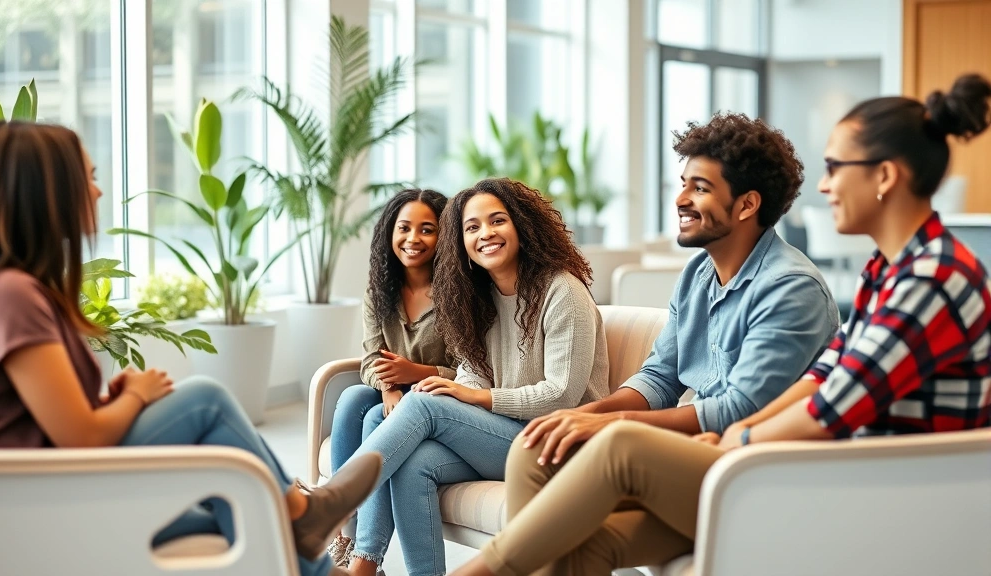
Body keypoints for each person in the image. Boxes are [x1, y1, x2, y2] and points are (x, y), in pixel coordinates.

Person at [450, 73, 991, 576]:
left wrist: (732, 440)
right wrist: (591, 418)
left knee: (622, 447)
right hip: (810, 466)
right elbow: (819, 380)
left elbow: (827, 414)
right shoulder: (887, 271)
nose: (824, 187)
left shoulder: (927, 280)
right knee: (562, 496)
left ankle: (484, 570)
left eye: (835, 167)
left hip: (870, 490)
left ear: (885, 176)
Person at [0, 121, 381, 576]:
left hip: (47, 492)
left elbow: (35, 423)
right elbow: (79, 438)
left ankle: (308, 531)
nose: (98, 192)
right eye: (88, 178)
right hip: (37, 506)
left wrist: (109, 400)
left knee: (245, 515)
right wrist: (135, 396)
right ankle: (304, 512)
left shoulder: (10, 291)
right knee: (206, 401)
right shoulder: (10, 293)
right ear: (45, 194)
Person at [519, 111, 839, 469]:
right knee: (535, 450)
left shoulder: (790, 288)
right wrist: (583, 415)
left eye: (700, 188)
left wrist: (612, 423)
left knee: (598, 451)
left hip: (751, 461)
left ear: (747, 204)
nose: (680, 199)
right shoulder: (697, 275)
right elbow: (660, 377)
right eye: (683, 184)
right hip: (702, 445)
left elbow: (739, 408)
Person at [345, 178, 610, 576]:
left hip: (557, 443)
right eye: (472, 227)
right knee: (414, 462)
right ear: (461, 242)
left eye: (497, 221)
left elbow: (562, 394)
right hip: (505, 435)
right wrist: (463, 390)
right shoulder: (479, 297)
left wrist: (473, 398)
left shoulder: (563, 291)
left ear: (522, 225)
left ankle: (337, 503)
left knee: (422, 403)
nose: (485, 233)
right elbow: (472, 372)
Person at [327, 189, 456, 566]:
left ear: (444, 236)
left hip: (438, 395)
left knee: (371, 419)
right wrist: (388, 386)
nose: (413, 239)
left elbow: (469, 370)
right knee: (353, 399)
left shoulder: (458, 293)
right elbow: (370, 359)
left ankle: (367, 559)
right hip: (391, 390)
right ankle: (344, 533)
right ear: (390, 232)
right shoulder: (379, 291)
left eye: (427, 229)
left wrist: (415, 373)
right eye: (404, 228)